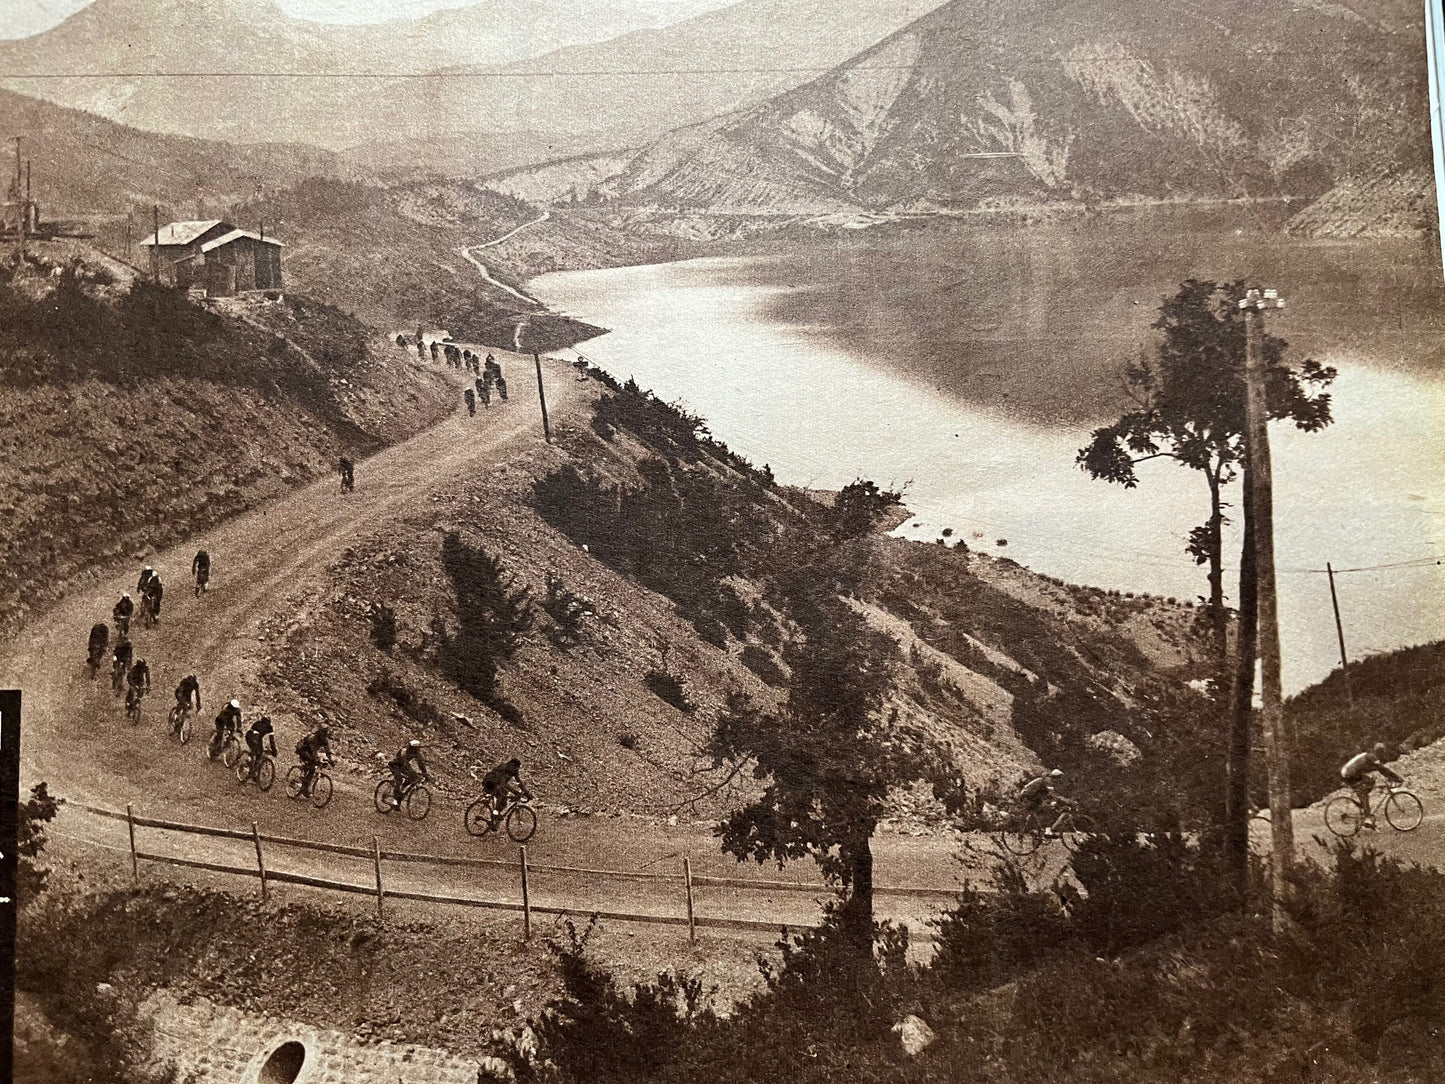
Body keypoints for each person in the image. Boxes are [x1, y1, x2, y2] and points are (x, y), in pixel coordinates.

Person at [1340, 744, 1404, 826]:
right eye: (1381, 752)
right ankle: (1367, 817)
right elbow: (1382, 769)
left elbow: (1379, 770)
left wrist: (1391, 777)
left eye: (1383, 752)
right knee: (1366, 786)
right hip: (1349, 774)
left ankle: (1363, 803)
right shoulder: (1372, 757)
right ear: (1378, 751)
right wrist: (1396, 778)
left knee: (1370, 781)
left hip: (1348, 772)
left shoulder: (1369, 755)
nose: (1382, 754)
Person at [1016, 769, 1068, 835]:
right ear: (1056, 777)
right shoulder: (1048, 781)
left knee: (1042, 810)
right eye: (1059, 778)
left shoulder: (1046, 780)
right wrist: (1061, 801)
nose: (1060, 780)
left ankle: (1036, 829)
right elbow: (1051, 794)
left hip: (1030, 797)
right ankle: (1047, 831)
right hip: (1028, 797)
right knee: (1048, 809)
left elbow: (1050, 794)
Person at [481, 757, 531, 823]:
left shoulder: (514, 771)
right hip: (490, 783)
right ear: (511, 765)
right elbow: (503, 783)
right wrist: (515, 792)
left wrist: (527, 793)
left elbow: (519, 782)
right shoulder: (503, 768)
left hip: (498, 784)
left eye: (517, 769)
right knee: (500, 794)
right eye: (515, 768)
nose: (515, 770)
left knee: (504, 802)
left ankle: (495, 817)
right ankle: (495, 814)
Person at [295, 722, 334, 797]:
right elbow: (312, 750)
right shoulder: (313, 738)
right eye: (323, 732)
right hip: (303, 750)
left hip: (311, 751)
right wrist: (316, 759)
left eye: (325, 733)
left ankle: (305, 782)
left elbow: (327, 751)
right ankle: (304, 788)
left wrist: (330, 760)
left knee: (314, 764)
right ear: (320, 732)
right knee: (312, 766)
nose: (324, 734)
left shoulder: (324, 740)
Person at [387, 739, 429, 807]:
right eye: (413, 749)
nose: (415, 751)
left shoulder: (417, 753)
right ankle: (395, 800)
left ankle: (402, 788)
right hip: (394, 765)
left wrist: (425, 773)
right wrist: (412, 771)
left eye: (416, 749)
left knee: (414, 777)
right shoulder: (404, 750)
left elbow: (421, 763)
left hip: (403, 766)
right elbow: (405, 762)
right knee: (399, 779)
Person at [243, 716, 277, 780]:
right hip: (250, 737)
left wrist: (274, 750)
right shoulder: (257, 724)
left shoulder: (270, 728)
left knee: (259, 754)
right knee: (255, 752)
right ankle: (249, 764)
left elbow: (271, 740)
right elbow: (254, 736)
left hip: (258, 739)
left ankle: (254, 771)